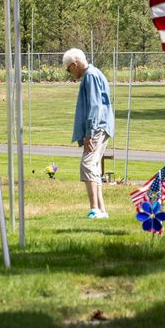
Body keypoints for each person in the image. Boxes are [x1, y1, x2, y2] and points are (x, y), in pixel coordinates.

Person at [64, 48, 114, 219]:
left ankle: (95, 209)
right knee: (93, 166)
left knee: (87, 164)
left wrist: (89, 134)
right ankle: (101, 210)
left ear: (74, 64)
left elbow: (94, 106)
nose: (70, 73)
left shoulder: (90, 76)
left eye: (69, 69)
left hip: (97, 128)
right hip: (103, 126)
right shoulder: (96, 73)